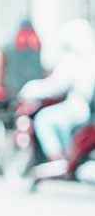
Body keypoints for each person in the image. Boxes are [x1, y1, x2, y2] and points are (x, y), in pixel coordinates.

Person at [20, 19, 95, 166]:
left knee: (43, 119)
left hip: (79, 107)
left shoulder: (74, 59)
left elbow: (56, 86)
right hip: (86, 108)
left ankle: (58, 160)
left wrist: (30, 89)